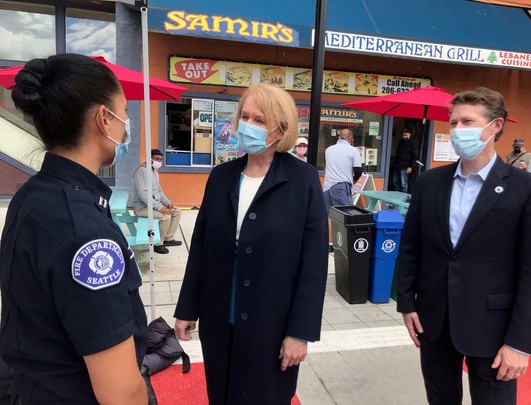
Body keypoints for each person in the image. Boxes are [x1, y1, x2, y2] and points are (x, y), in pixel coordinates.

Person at [0, 54, 148, 403]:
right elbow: (121, 393)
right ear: (103, 119)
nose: (126, 122)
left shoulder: (32, 195)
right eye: (123, 112)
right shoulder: (85, 232)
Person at [174, 83, 328, 405]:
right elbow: (200, 246)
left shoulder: (303, 181)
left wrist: (300, 332)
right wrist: (187, 307)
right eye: (244, 116)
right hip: (219, 321)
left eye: (259, 120)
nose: (248, 125)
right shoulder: (221, 177)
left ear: (280, 129)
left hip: (271, 327)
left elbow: (313, 264)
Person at [397, 87, 531, 404]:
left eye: (468, 122)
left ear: (496, 126)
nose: (458, 130)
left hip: (494, 331)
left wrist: (520, 343)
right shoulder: (430, 182)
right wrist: (406, 301)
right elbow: (411, 246)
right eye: (454, 122)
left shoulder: (527, 189)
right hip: (434, 322)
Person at [130, 148, 182, 254]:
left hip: (153, 205)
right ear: (150, 159)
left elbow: (159, 190)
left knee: (177, 211)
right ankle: (158, 243)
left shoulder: (154, 172)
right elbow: (143, 194)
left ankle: (168, 238)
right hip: (142, 207)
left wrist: (168, 203)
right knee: (165, 217)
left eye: (160, 160)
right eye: (156, 159)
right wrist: (160, 207)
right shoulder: (142, 171)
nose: (159, 161)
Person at [323, 128, 363, 252]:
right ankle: (343, 245)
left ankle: (330, 243)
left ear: (339, 138)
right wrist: (354, 180)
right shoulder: (353, 150)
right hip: (340, 187)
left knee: (329, 216)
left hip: (327, 186)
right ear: (351, 139)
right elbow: (358, 171)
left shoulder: (328, 150)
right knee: (345, 217)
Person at [393, 128, 418, 193]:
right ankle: (395, 199)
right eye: (403, 135)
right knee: (395, 183)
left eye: (406, 135)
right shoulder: (400, 142)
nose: (404, 137)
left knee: (403, 184)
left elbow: (414, 156)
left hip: (405, 166)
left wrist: (410, 167)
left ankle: (402, 200)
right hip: (397, 165)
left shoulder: (412, 143)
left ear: (410, 135)